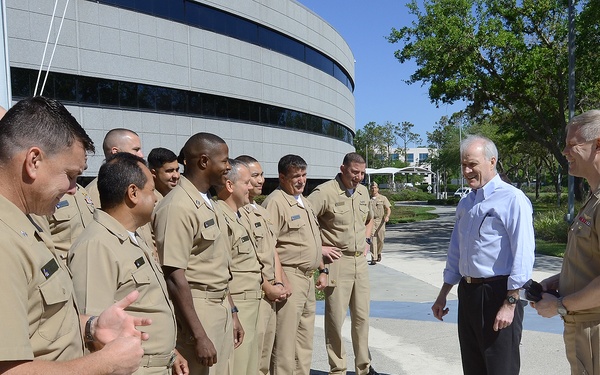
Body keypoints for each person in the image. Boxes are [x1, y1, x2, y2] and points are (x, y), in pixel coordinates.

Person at [0, 96, 150, 374]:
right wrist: (106, 362)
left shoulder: (28, 221)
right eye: (70, 175)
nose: (73, 188)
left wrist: (92, 327)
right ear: (33, 160)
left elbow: (41, 323)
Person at [69, 152, 188, 375]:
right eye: (152, 190)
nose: (156, 198)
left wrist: (169, 353)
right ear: (133, 193)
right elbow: (94, 337)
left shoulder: (131, 236)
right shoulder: (97, 245)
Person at [431, 135, 535, 375]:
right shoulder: (466, 203)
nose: (467, 171)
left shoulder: (512, 199)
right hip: (468, 293)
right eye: (463, 165)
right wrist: (443, 293)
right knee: (473, 366)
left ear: (492, 161)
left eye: (472, 164)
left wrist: (510, 302)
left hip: (498, 294)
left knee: (500, 367)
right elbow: (456, 251)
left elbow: (523, 253)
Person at [153, 132, 243, 375]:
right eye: (224, 161)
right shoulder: (177, 206)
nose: (228, 167)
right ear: (204, 161)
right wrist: (199, 335)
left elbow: (217, 264)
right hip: (198, 311)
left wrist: (232, 312)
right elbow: (173, 275)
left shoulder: (206, 201)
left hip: (219, 305)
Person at [531, 110, 600, 374]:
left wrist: (560, 306)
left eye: (572, 144)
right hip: (584, 329)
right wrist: (560, 281)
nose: (564, 151)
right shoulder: (593, 200)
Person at [308, 152, 376, 375]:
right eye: (354, 172)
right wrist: (321, 250)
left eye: (362, 173)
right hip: (338, 262)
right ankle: (338, 369)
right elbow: (306, 222)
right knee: (336, 319)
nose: (358, 177)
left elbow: (370, 218)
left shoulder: (363, 191)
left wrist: (367, 239)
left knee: (362, 317)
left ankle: (363, 368)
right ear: (343, 169)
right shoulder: (325, 192)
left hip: (360, 263)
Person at [262, 154, 327, 375]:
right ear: (281, 177)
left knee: (304, 340)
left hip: (308, 279)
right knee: (285, 342)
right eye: (295, 176)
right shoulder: (275, 202)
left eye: (304, 175)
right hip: (290, 277)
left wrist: (322, 269)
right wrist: (281, 280)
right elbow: (268, 247)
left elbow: (312, 239)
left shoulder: (304, 201)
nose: (301, 180)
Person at [235, 155, 288, 375]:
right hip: (255, 294)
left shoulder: (261, 211)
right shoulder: (237, 213)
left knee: (265, 356)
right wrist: (268, 286)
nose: (260, 180)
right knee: (252, 358)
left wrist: (279, 281)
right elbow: (247, 259)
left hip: (270, 294)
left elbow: (272, 249)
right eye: (254, 176)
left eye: (261, 175)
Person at [216, 159, 263, 374]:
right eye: (246, 182)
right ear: (229, 186)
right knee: (238, 367)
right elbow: (221, 270)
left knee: (250, 366)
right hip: (239, 301)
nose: (251, 186)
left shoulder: (240, 215)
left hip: (253, 298)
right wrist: (233, 310)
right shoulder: (220, 217)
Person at [86, 128, 144, 207]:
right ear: (115, 152)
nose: (141, 155)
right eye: (136, 149)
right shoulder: (93, 193)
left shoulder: (143, 184)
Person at [368, 182, 391, 265]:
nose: (373, 189)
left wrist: (387, 216)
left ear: (378, 189)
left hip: (380, 221)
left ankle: (378, 252)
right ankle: (373, 257)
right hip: (371, 221)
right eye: (372, 188)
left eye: (375, 187)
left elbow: (388, 208)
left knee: (380, 240)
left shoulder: (383, 198)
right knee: (372, 239)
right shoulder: (368, 199)